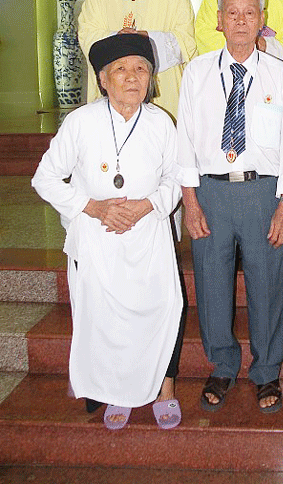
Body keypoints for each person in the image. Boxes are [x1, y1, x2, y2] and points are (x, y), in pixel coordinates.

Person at [32, 33, 184, 430]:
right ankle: (118, 391)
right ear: (103, 79)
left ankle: (164, 388)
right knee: (107, 318)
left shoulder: (161, 123)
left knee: (164, 307)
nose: (132, 77)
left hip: (148, 235)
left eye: (141, 69)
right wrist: (94, 207)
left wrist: (147, 205)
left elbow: (176, 178)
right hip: (97, 238)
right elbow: (44, 178)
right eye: (121, 69)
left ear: (151, 78)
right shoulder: (80, 122)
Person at [177, 0, 283, 413]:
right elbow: (184, 141)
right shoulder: (197, 73)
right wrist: (190, 201)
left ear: (262, 21)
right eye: (232, 13)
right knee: (211, 281)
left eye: (250, 13)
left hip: (263, 192)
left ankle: (266, 371)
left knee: (267, 283)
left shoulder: (280, 76)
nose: (241, 21)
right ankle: (222, 364)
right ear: (219, 21)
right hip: (210, 191)